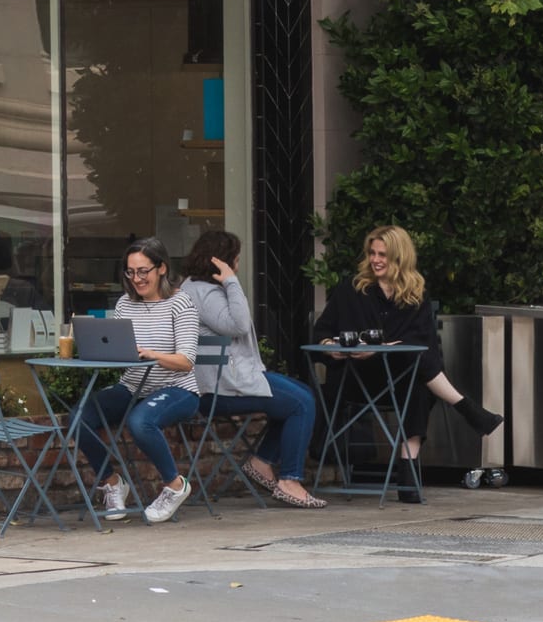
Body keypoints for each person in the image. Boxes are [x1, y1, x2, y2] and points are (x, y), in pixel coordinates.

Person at [314, 224, 501, 500]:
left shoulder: (415, 295)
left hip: (400, 379)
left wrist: (386, 349)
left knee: (417, 374)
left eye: (383, 255)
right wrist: (332, 348)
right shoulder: (351, 290)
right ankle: (463, 407)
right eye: (373, 253)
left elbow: (423, 343)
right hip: (356, 378)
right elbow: (321, 334)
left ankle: (408, 461)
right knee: (417, 363)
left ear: (400, 258)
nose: (376, 260)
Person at [177, 230, 326, 508]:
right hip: (219, 390)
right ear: (222, 262)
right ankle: (289, 480)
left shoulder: (194, 288)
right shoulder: (205, 293)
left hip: (224, 382)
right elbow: (239, 325)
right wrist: (232, 283)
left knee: (301, 395)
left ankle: (262, 462)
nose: (237, 264)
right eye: (235, 259)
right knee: (302, 403)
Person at [74, 238, 199, 524]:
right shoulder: (125, 304)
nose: (137, 279)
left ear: (162, 268)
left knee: (140, 422)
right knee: (80, 417)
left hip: (177, 388)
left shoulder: (180, 303)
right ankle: (112, 482)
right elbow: (121, 353)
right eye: (131, 272)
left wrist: (150, 354)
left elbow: (186, 361)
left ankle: (175, 485)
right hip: (132, 386)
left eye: (143, 271)